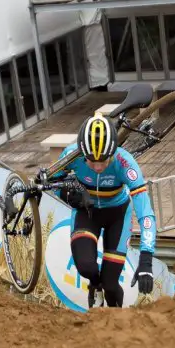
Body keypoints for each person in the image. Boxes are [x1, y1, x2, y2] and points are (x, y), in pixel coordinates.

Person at [52, 113, 156, 308]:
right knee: (86, 267)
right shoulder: (72, 154)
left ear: (113, 153)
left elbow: (146, 213)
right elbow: (49, 182)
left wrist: (146, 260)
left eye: (104, 161)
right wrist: (66, 194)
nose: (98, 167)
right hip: (87, 212)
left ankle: (117, 323)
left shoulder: (125, 163)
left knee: (110, 283)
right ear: (83, 154)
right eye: (92, 161)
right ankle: (94, 285)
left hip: (117, 215)